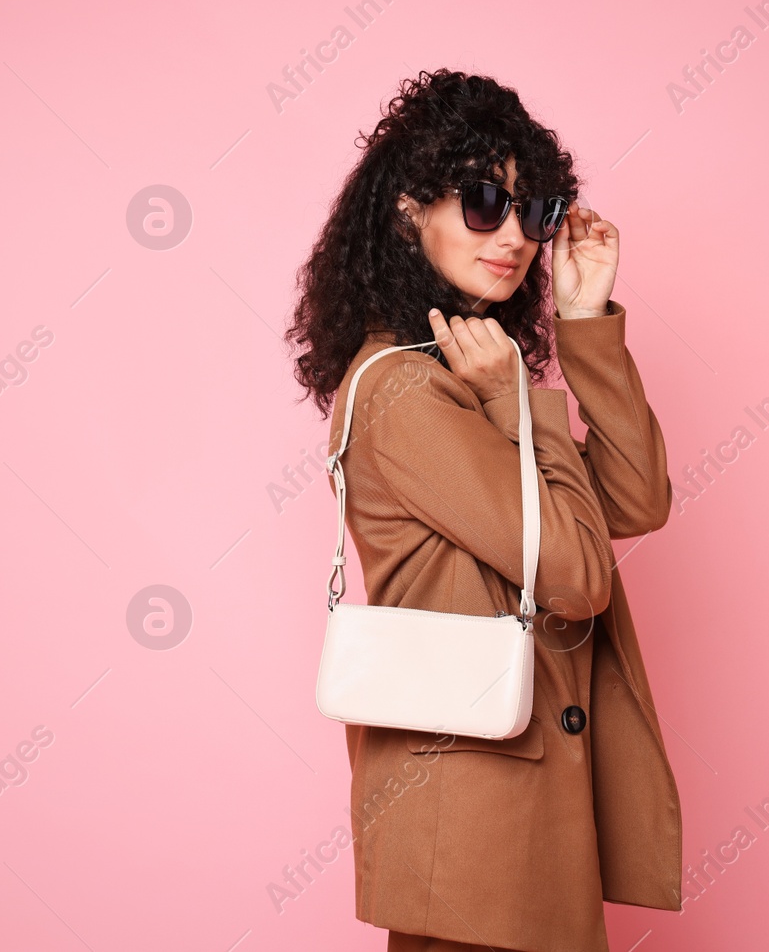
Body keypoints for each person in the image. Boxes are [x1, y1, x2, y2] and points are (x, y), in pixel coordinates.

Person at [285, 69, 681, 952]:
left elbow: (635, 497)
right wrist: (517, 404)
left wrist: (582, 325)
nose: (513, 235)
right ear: (405, 211)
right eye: (481, 201)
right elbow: (577, 578)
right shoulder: (405, 393)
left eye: (532, 213)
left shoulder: (464, 376)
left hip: (516, 812)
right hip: (474, 831)